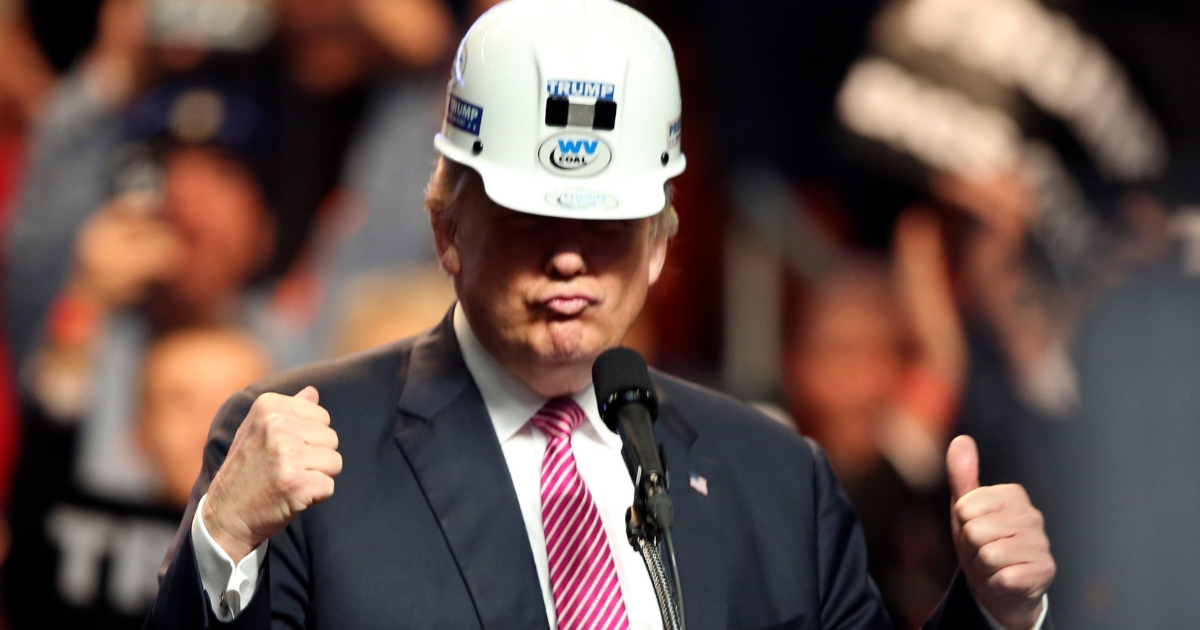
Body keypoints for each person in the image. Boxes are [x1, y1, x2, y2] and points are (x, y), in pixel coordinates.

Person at [147, 1, 1056, 629]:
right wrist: (221, 544)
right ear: (448, 227)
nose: (570, 254)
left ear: (661, 242)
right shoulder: (304, 447)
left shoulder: (778, 482)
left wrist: (990, 613)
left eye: (605, 220)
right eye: (529, 216)